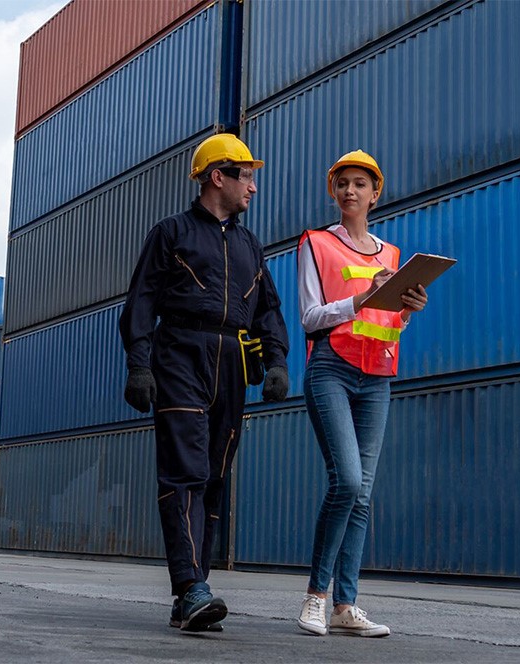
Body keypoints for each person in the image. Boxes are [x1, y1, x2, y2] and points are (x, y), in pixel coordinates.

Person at [119, 133, 290, 633]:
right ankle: (193, 586)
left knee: (213, 478)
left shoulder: (250, 245)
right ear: (218, 176)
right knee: (185, 473)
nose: (253, 187)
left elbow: (268, 309)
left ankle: (190, 593)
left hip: (231, 364)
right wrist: (139, 365)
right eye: (247, 176)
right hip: (180, 356)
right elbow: (141, 302)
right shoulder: (171, 233)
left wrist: (276, 362)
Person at [295, 150, 428, 638]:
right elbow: (310, 318)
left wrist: (407, 309)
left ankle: (345, 606)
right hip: (331, 368)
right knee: (347, 482)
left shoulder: (392, 255)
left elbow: (388, 323)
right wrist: (361, 298)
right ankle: (316, 597)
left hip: (377, 376)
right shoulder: (316, 243)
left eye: (360, 184)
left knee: (364, 495)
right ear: (333, 191)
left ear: (375, 194)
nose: (350, 191)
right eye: (343, 183)